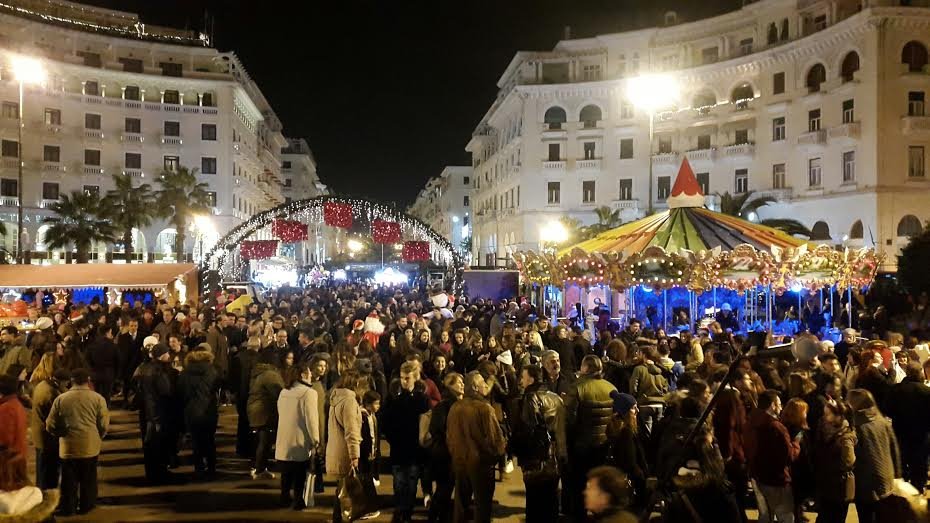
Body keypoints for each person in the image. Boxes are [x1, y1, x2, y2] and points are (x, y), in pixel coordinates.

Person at [46, 368, 109, 516]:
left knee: (68, 480)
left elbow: (50, 424)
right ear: (88, 380)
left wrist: (60, 434)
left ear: (71, 381)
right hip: (90, 446)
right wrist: (98, 436)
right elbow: (104, 424)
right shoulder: (98, 398)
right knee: (89, 478)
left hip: (68, 447)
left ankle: (69, 507)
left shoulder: (61, 399)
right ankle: (87, 505)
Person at [446, 371, 506, 523]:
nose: (486, 386)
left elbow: (450, 437)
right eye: (483, 383)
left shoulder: (455, 407)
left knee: (461, 504)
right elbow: (496, 440)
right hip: (481, 465)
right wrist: (496, 457)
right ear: (474, 387)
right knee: (482, 506)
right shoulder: (484, 409)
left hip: (460, 462)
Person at [512, 364, 567, 522]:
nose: (521, 381)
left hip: (536, 459)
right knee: (551, 500)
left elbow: (528, 431)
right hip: (555, 456)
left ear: (531, 378)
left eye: (523, 377)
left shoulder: (530, 398)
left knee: (535, 502)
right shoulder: (556, 397)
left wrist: (518, 452)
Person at [565, 355, 617, 521]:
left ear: (585, 368)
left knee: (580, 486)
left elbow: (569, 420)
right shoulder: (610, 387)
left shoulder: (577, 388)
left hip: (581, 445)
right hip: (603, 444)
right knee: (599, 485)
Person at [382, 361, 430, 522]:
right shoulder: (394, 399)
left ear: (414, 379)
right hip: (399, 448)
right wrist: (393, 439)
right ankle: (400, 509)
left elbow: (425, 424)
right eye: (402, 378)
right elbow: (386, 423)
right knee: (399, 482)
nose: (404, 381)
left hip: (414, 449)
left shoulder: (422, 400)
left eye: (407, 378)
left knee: (410, 483)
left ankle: (406, 511)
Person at [326, 371, 378, 522]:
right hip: (345, 452)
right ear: (356, 384)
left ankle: (338, 517)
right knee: (346, 489)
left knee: (341, 488)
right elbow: (352, 432)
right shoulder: (349, 401)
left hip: (335, 449)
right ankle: (343, 517)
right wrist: (354, 455)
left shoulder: (335, 399)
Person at [744, 389, 800, 523]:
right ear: (772, 405)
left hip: (757, 476)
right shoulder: (777, 428)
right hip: (777, 480)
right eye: (779, 404)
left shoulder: (750, 421)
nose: (781, 408)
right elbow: (789, 456)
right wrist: (797, 443)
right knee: (785, 516)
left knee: (764, 515)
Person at [847, 388, 901, 523]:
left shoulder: (857, 425)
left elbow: (854, 455)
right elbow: (894, 448)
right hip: (886, 477)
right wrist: (897, 474)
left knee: (866, 517)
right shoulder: (882, 420)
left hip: (866, 481)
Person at [275, 362, 320, 511]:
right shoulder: (309, 393)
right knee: (300, 471)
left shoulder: (284, 392)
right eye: (308, 372)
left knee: (286, 470)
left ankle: (284, 496)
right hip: (300, 438)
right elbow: (311, 419)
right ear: (302, 375)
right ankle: (298, 499)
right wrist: (315, 440)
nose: (311, 374)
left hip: (284, 436)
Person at [882, 362, 930, 492]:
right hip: (921, 435)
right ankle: (918, 491)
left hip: (900, 432)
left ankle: (904, 495)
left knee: (902, 463)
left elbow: (887, 409)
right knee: (920, 466)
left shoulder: (896, 389)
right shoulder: (926, 391)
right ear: (920, 372)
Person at [176, 345, 220, 479]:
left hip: (192, 410)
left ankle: (199, 468)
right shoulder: (212, 371)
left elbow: (180, 392)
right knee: (210, 440)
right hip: (209, 410)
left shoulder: (185, 372)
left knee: (196, 440)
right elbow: (217, 388)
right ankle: (212, 468)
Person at [428, 372, 464, 523]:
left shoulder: (458, 403)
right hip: (445, 453)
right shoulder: (444, 405)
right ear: (450, 386)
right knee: (444, 489)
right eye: (459, 383)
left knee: (447, 489)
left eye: (462, 382)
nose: (462, 385)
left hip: (452, 452)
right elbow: (437, 428)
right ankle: (436, 516)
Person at [813, 402, 857, 523]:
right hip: (826, 485)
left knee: (835, 518)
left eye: (828, 414)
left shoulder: (845, 437)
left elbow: (849, 462)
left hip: (839, 487)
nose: (825, 417)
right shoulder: (823, 429)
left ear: (839, 416)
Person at [605, 392, 647, 511]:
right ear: (624, 412)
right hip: (632, 486)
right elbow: (631, 463)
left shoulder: (615, 428)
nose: (638, 411)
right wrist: (642, 480)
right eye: (634, 408)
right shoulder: (626, 433)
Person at [247, 351, 285, 480]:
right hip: (264, 412)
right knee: (265, 441)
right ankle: (259, 469)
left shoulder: (259, 372)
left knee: (261, 441)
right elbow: (279, 392)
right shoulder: (270, 375)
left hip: (256, 410)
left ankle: (259, 467)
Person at [31, 368, 69, 489]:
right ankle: (46, 498)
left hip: (39, 435)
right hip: (47, 438)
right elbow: (55, 416)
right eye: (66, 383)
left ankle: (42, 492)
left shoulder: (42, 385)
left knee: (42, 470)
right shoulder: (50, 393)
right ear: (60, 381)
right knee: (48, 472)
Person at [0, 374, 26, 478]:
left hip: (8, 464)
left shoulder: (6, 408)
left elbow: (4, 440)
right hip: (17, 459)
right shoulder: (16, 404)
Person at [85, 325, 118, 407]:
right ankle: (105, 414)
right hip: (108, 373)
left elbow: (87, 358)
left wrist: (92, 369)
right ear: (107, 332)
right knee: (106, 395)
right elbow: (118, 360)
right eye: (110, 332)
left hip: (95, 373)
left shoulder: (93, 344)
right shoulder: (112, 345)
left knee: (96, 395)